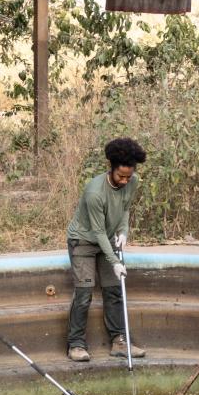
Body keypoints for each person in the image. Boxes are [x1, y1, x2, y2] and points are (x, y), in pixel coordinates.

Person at [66, 138, 148, 362]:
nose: (124, 181)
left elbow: (124, 209)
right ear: (110, 169)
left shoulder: (132, 182)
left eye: (128, 176)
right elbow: (99, 232)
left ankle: (119, 342)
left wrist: (123, 232)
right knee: (84, 293)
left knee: (114, 291)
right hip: (83, 240)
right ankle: (76, 344)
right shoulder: (95, 192)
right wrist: (115, 261)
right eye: (120, 176)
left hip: (107, 240)